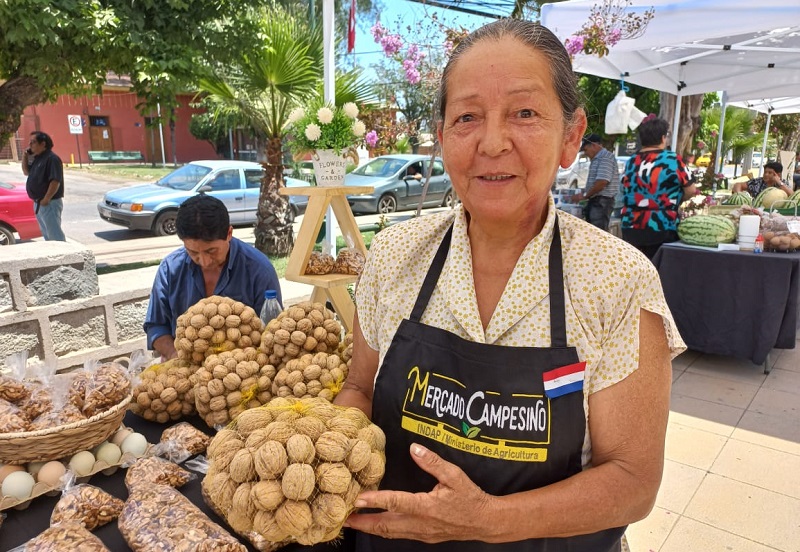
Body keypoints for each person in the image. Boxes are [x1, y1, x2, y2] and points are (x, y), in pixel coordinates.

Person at [336, 19, 684, 551]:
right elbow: (359, 389)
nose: (492, 143)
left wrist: (487, 520)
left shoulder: (619, 281)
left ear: (570, 136)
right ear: (444, 136)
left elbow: (633, 482)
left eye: (524, 113)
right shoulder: (394, 255)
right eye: (467, 117)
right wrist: (326, 447)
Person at [143, 194, 282, 360]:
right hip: (182, 367)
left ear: (229, 233)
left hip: (241, 372)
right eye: (193, 252)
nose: (204, 261)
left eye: (211, 251)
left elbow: (272, 333)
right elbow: (156, 326)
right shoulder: (170, 268)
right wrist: (175, 355)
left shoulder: (259, 270)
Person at [621, 115, 696, 259]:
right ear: (663, 138)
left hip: (631, 226)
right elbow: (691, 190)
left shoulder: (631, 161)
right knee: (658, 272)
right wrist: (678, 199)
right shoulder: (672, 159)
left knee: (635, 272)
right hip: (662, 225)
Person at [22, 131, 66, 241]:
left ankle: (62, 255)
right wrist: (25, 157)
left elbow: (55, 181)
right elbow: (26, 172)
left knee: (54, 235)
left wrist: (46, 199)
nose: (30, 145)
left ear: (43, 144)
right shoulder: (38, 158)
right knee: (47, 234)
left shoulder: (52, 159)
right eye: (30, 142)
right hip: (39, 203)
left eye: (33, 142)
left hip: (49, 203)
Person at [573, 132, 619, 231]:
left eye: (586, 149)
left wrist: (586, 195)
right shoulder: (597, 158)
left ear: (593, 145)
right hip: (597, 200)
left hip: (602, 201)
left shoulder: (605, 157)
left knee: (597, 232)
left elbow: (602, 182)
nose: (585, 153)